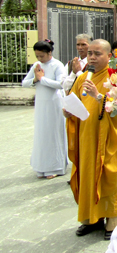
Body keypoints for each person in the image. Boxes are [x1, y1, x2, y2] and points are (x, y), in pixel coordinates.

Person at [63, 39, 117, 240]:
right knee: (88, 174)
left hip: (109, 137)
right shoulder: (82, 77)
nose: (91, 57)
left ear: (109, 56)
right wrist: (67, 112)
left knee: (110, 175)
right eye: (89, 53)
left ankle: (112, 220)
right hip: (86, 138)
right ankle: (91, 218)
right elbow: (73, 102)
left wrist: (98, 96)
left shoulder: (116, 77)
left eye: (97, 53)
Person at [22, 39, 67, 179]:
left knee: (53, 133)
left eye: (42, 55)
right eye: (37, 56)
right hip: (41, 104)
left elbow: (61, 84)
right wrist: (35, 79)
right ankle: (42, 166)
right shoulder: (37, 65)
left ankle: (55, 166)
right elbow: (24, 83)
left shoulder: (57, 65)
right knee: (42, 134)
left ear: (49, 52)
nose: (40, 59)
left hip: (54, 103)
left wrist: (42, 79)